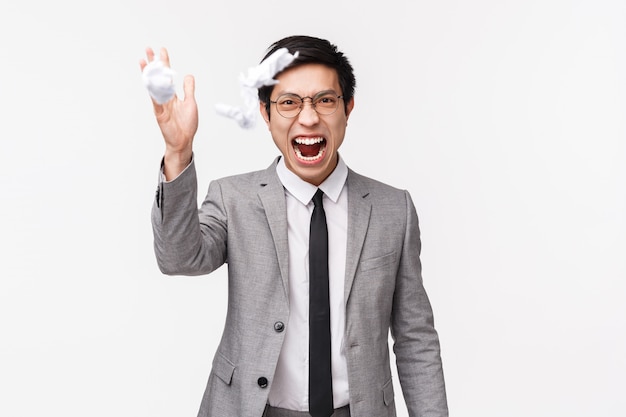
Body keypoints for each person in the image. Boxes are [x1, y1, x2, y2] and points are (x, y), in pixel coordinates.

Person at [140, 35, 448, 417]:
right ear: (266, 114)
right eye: (288, 103)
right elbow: (177, 258)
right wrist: (178, 152)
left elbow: (416, 338)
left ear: (348, 108)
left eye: (325, 100)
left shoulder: (392, 209)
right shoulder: (234, 198)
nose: (309, 117)